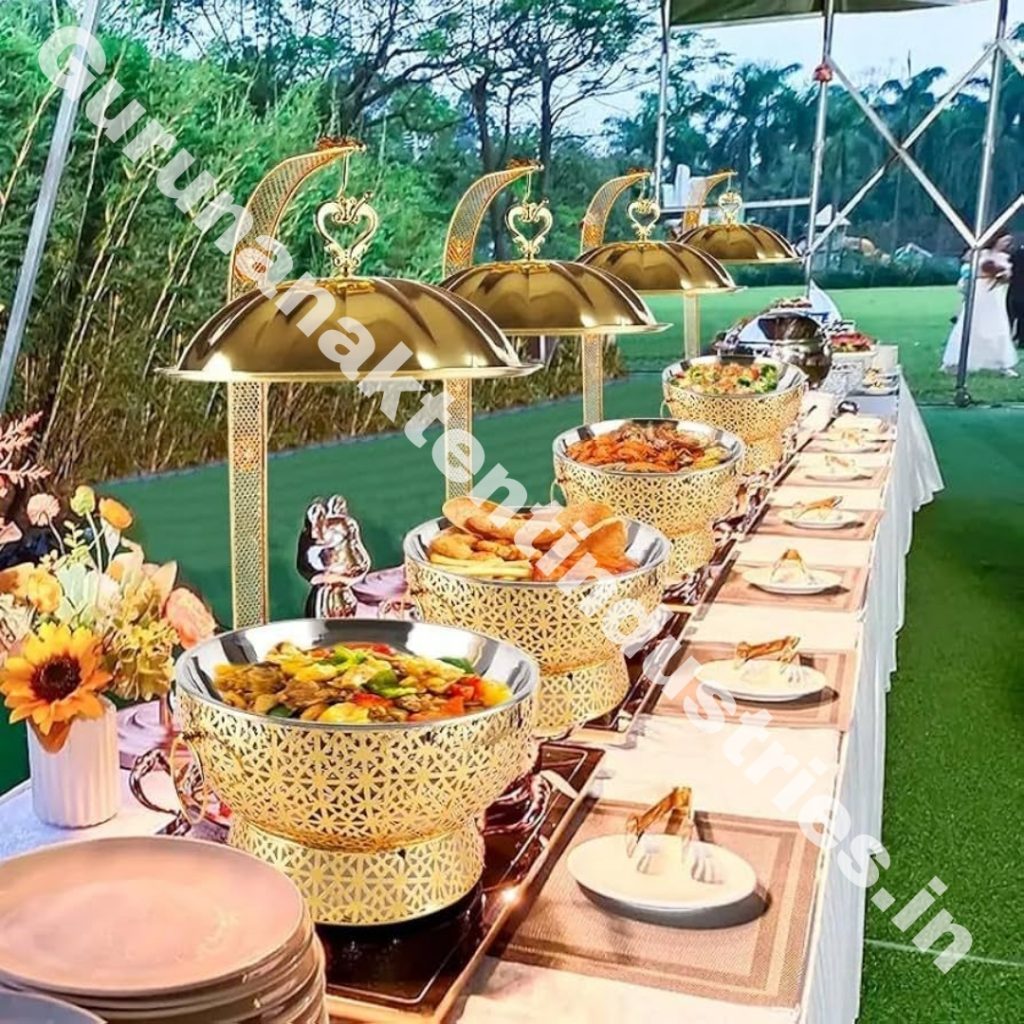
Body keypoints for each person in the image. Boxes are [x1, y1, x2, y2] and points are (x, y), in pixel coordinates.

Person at [942, 234, 1018, 377]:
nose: (1007, 243)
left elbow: (1008, 276)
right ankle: (954, 361)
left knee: (997, 325)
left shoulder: (1004, 257)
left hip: (995, 294)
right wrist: (988, 271)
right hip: (980, 291)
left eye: (1009, 241)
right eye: (1005, 240)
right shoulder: (980, 253)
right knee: (971, 324)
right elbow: (970, 268)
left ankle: (1002, 363)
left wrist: (1002, 276)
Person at [1008, 237, 1024, 347]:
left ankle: (1015, 336)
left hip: (1014, 289)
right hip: (1018, 289)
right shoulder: (1017, 254)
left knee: (1012, 315)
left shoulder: (1015, 254)